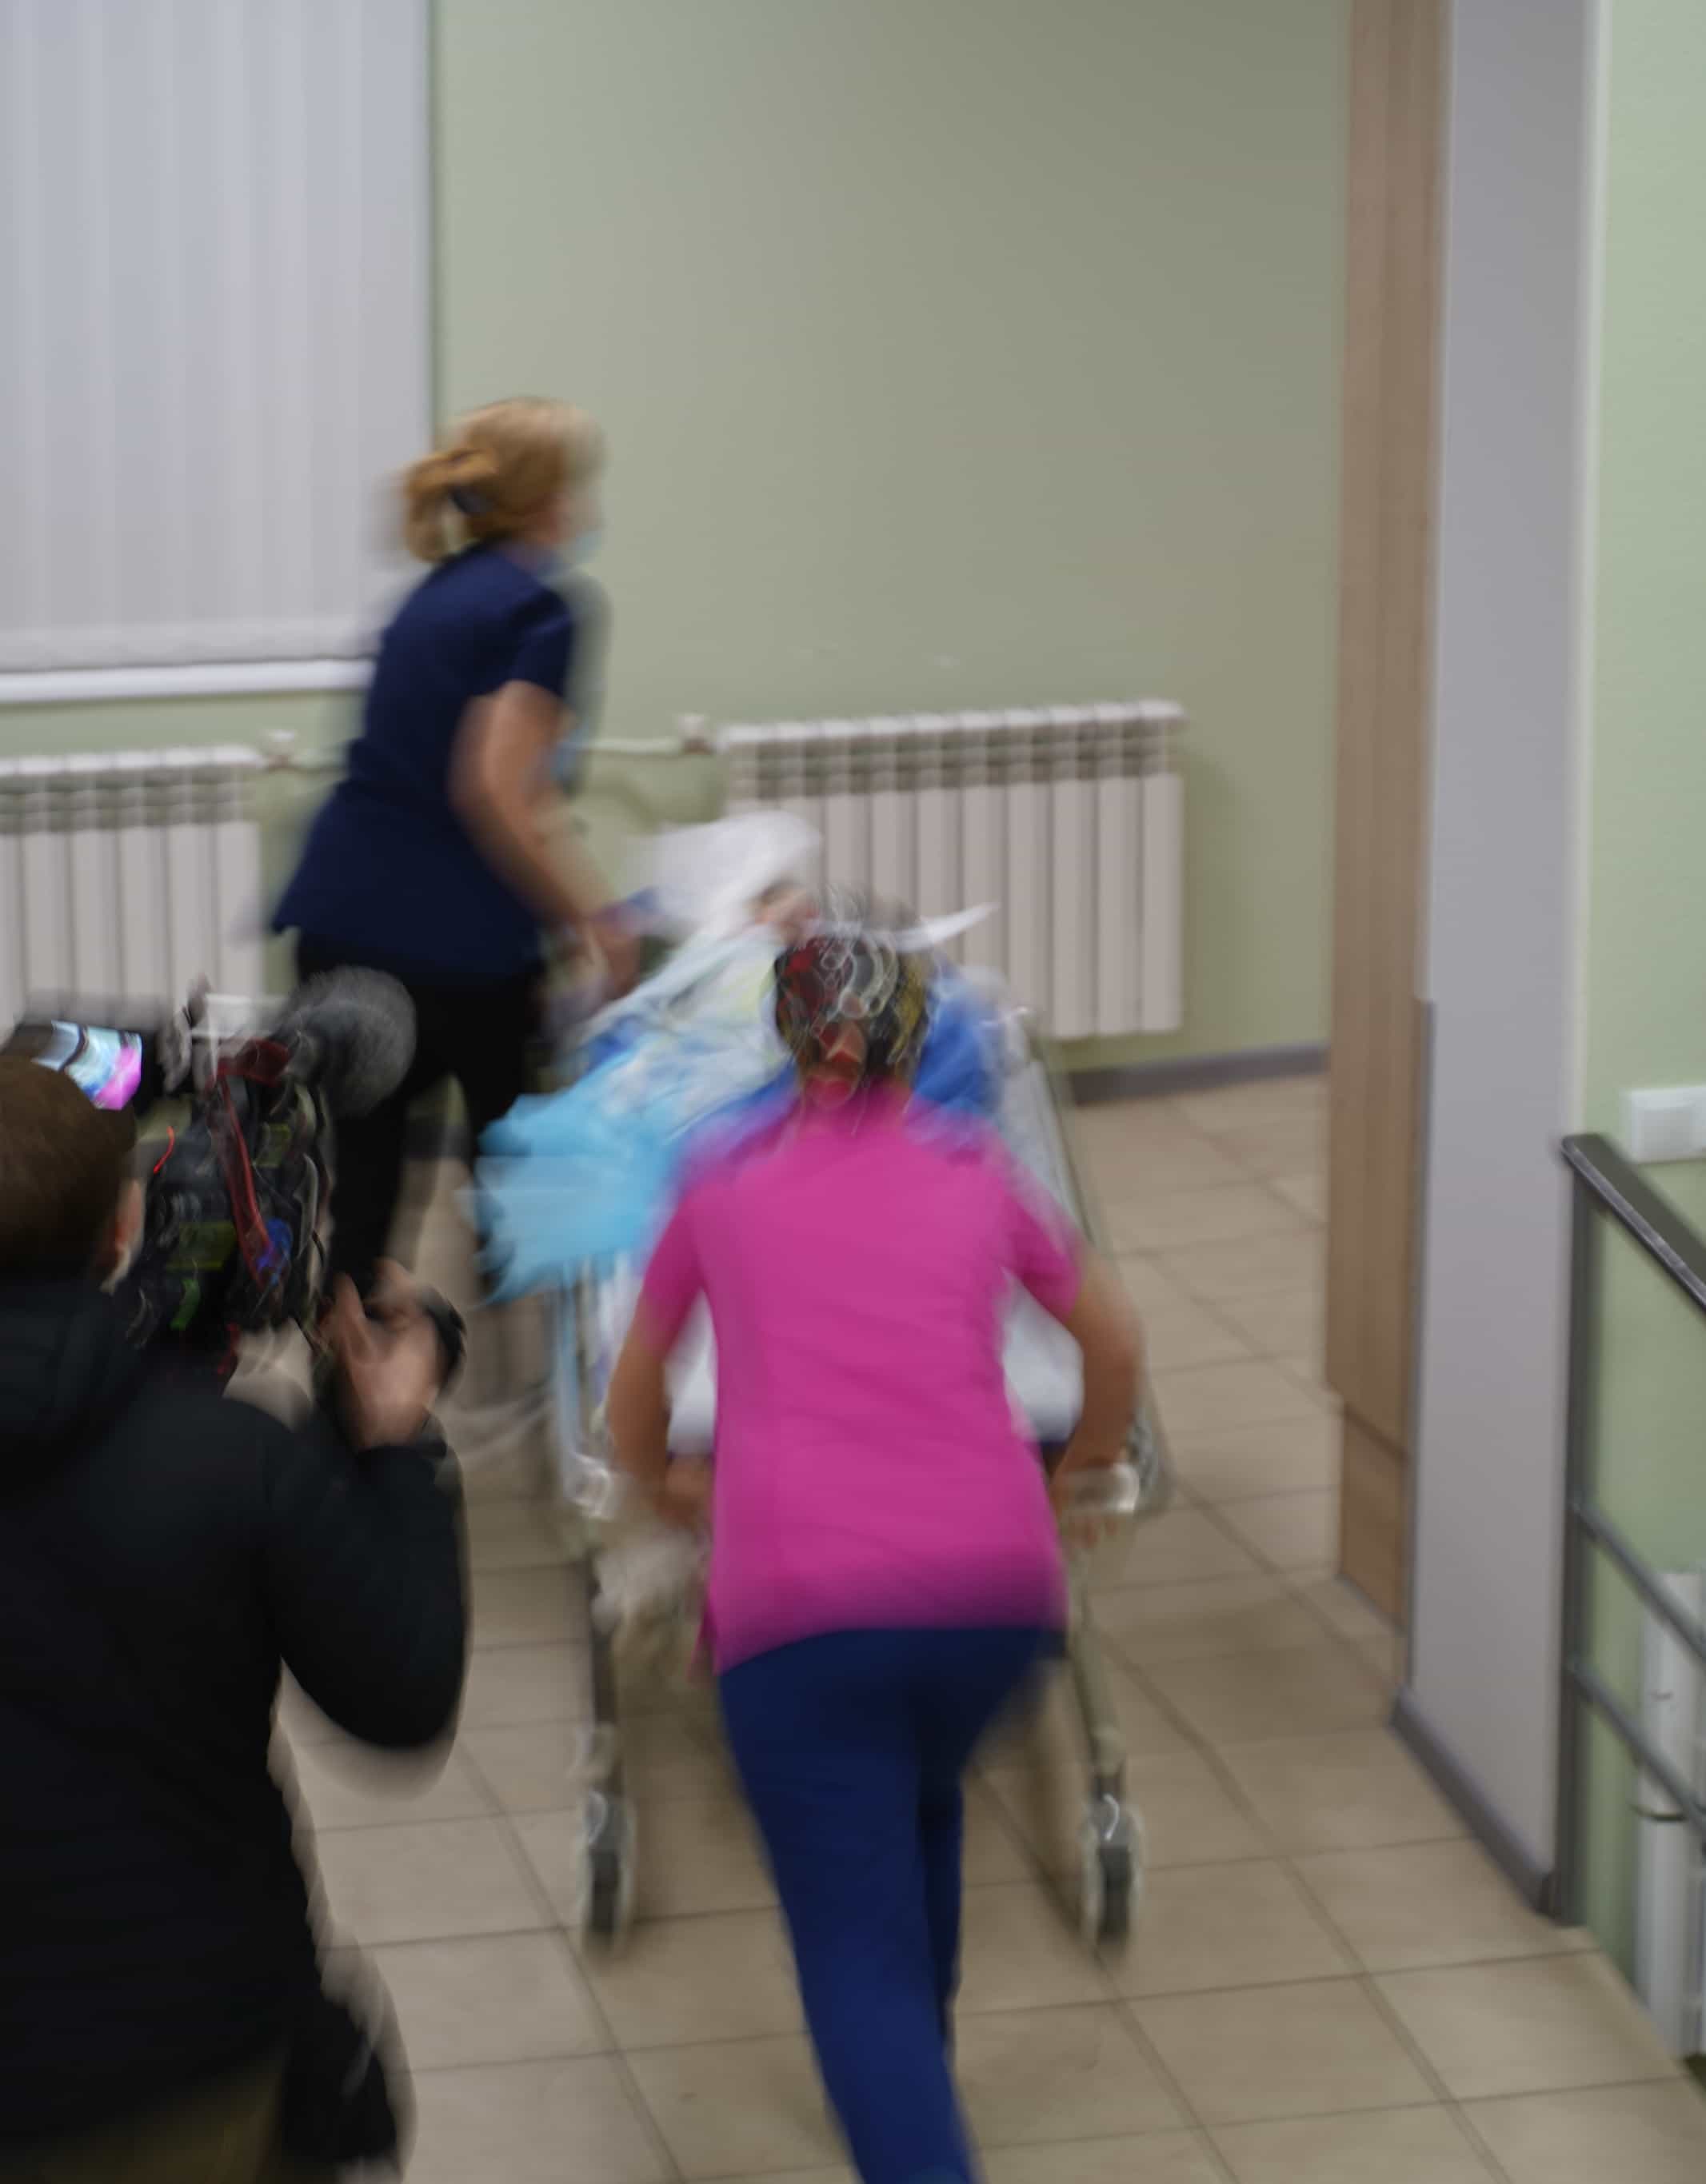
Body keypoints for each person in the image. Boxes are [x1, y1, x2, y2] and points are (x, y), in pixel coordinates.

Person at [606, 917, 1142, 2184]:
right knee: (916, 1800)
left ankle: (909, 2114)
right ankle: (920, 2072)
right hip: (998, 1601)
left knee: (855, 1955)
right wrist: (1073, 1477)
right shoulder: (973, 1171)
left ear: (788, 1040)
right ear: (919, 1041)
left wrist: (681, 1492)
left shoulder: (720, 1182)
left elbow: (632, 1408)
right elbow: (1112, 1344)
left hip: (803, 1617)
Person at [0, 1058, 468, 2182]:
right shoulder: (231, 1459)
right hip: (197, 2050)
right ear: (122, 1224)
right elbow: (401, 1693)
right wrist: (395, 1447)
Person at [274, 395, 638, 1295]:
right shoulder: (541, 610)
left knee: (361, 1189)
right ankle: (520, 1391)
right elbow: (498, 787)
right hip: (454, 947)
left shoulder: (431, 597)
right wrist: (598, 918)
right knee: (514, 1168)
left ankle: (349, 1398)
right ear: (551, 499)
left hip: (343, 921)